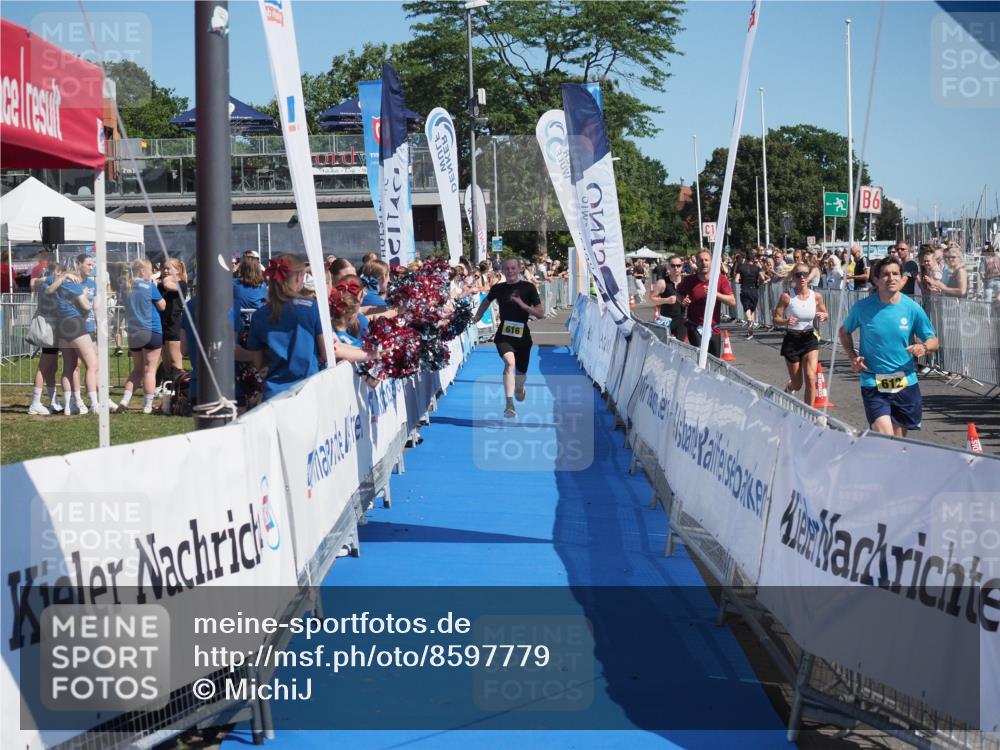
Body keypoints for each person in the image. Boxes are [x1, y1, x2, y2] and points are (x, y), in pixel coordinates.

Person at [839, 257, 939, 437]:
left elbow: (933, 340)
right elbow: (844, 332)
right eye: (885, 274)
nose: (891, 278)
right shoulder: (862, 307)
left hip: (905, 381)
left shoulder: (912, 308)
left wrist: (923, 347)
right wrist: (853, 357)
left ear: (902, 279)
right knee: (885, 435)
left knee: (898, 440)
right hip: (873, 381)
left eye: (895, 274)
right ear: (876, 280)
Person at [473, 257, 544, 417]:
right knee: (509, 363)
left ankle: (519, 388)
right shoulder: (498, 288)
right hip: (504, 335)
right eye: (507, 268)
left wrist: (523, 305)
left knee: (521, 374)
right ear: (503, 271)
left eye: (513, 268)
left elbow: (540, 314)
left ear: (519, 269)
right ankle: (509, 404)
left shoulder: (529, 287)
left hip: (523, 336)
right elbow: (486, 302)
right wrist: (478, 315)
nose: (510, 271)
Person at [772, 263, 829, 406]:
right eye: (798, 275)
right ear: (793, 277)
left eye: (805, 274)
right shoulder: (787, 296)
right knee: (798, 384)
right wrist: (786, 321)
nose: (802, 277)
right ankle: (790, 387)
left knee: (811, 377)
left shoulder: (816, 296)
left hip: (809, 338)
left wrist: (823, 316)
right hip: (792, 339)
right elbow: (775, 318)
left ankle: (809, 413)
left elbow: (825, 313)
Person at [50, 258, 101, 415]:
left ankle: (69, 405)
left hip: (62, 326)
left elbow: (48, 290)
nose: (91, 267)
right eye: (89, 264)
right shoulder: (73, 284)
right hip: (75, 324)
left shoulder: (59, 282)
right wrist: (85, 295)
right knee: (92, 365)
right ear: (76, 266)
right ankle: (94, 404)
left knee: (69, 367)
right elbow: (86, 305)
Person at [116, 259, 166, 414]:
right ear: (142, 271)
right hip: (152, 330)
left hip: (134, 332)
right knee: (149, 371)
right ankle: (147, 405)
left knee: (137, 370)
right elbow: (162, 305)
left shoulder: (126, 286)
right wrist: (154, 285)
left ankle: (125, 400)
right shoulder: (149, 286)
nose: (151, 273)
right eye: (150, 270)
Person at [676, 250, 736, 357]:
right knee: (700, 359)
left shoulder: (720, 279)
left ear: (711, 262)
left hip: (714, 327)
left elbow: (732, 301)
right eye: (700, 260)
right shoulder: (689, 280)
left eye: (706, 260)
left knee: (714, 360)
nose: (704, 263)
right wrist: (682, 301)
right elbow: (678, 293)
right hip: (695, 326)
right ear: (696, 262)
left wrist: (715, 293)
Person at [27, 263, 64, 415]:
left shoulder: (45, 283)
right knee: (44, 367)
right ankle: (35, 403)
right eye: (60, 273)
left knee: (51, 368)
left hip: (52, 330)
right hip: (49, 330)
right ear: (57, 272)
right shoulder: (48, 285)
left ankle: (53, 400)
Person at [158, 258, 189, 372]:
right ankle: (168, 381)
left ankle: (180, 382)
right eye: (164, 268)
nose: (165, 271)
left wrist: (168, 278)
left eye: (169, 268)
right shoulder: (161, 285)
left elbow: (167, 285)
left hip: (174, 324)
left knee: (176, 364)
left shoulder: (181, 284)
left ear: (178, 270)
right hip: (163, 324)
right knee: (166, 364)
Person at [648, 255, 687, 341]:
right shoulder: (662, 282)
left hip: (681, 319)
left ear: (682, 266)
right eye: (673, 266)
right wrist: (666, 300)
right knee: (663, 343)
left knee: (680, 345)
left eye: (678, 266)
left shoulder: (686, 282)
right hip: (666, 319)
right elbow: (652, 298)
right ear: (669, 267)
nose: (676, 268)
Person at [233, 250, 268, 333]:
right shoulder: (262, 285)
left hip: (238, 325)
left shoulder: (233, 284)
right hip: (258, 324)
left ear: (241, 268)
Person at [734, 254, 764, 337]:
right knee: (752, 309)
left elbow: (736, 280)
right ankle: (750, 327)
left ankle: (750, 321)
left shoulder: (741, 267)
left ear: (746, 259)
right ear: (753, 260)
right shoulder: (757, 268)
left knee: (746, 307)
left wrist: (742, 282)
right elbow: (762, 278)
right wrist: (759, 283)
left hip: (745, 289)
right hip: (754, 289)